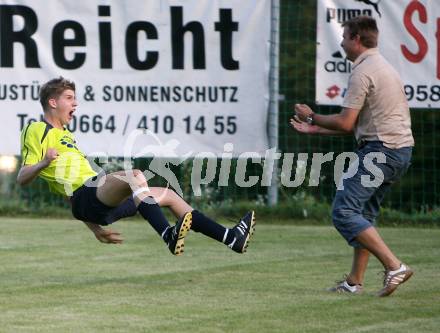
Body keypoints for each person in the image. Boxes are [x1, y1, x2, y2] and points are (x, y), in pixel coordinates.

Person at [17, 77, 256, 256]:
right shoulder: (37, 129)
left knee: (170, 196)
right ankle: (167, 235)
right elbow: (22, 177)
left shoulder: (66, 134)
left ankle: (231, 238)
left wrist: (95, 229)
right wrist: (44, 162)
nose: (76, 103)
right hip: (88, 195)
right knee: (136, 176)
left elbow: (68, 193)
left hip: (96, 203)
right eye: (69, 98)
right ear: (52, 102)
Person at [290, 16, 414, 297]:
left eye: (345, 37)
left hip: (381, 151)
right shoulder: (382, 66)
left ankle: (395, 266)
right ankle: (354, 282)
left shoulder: (363, 71)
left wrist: (312, 115)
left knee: (343, 211)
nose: (343, 43)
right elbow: (359, 125)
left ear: (357, 39)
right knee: (363, 216)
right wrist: (317, 128)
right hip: (398, 151)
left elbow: (346, 123)